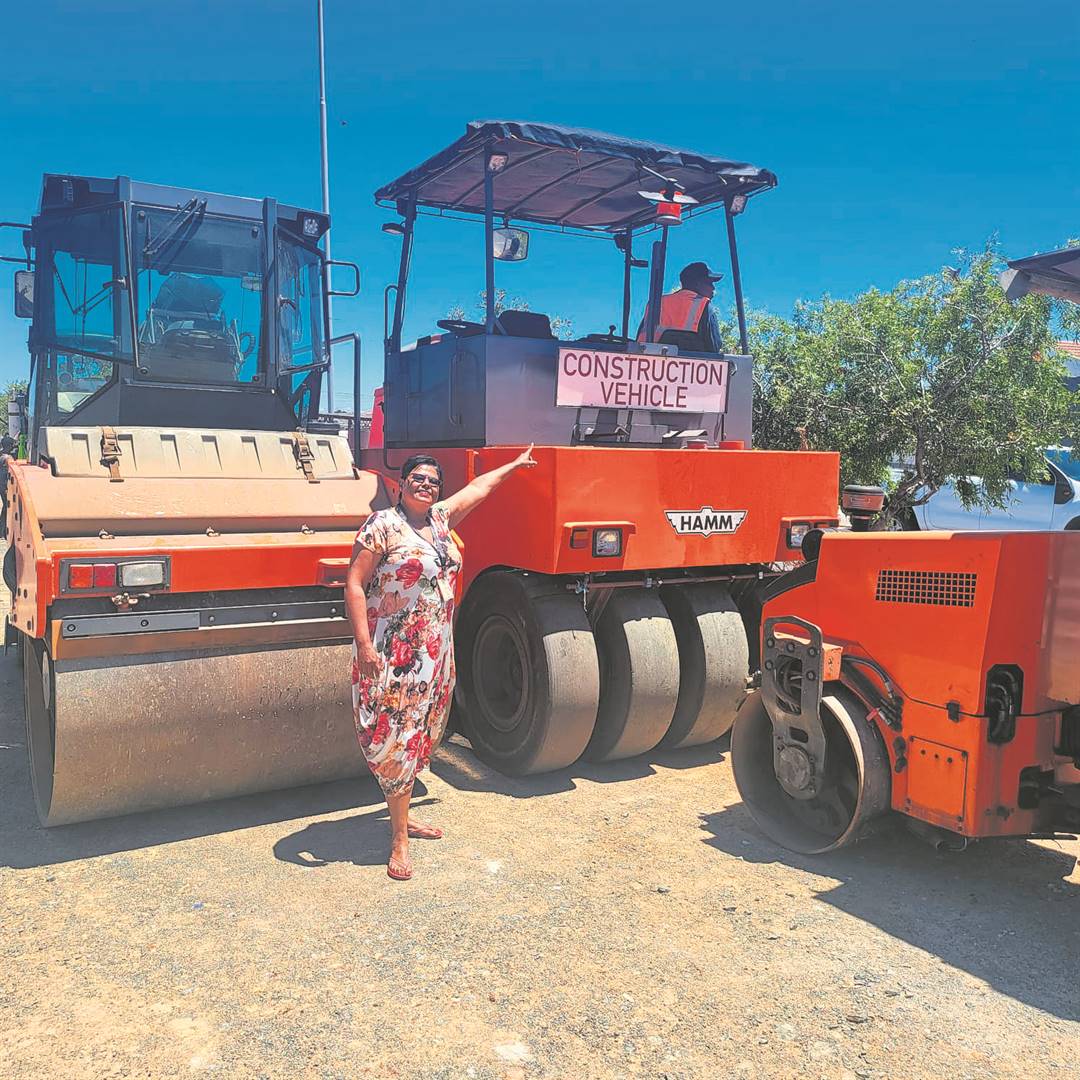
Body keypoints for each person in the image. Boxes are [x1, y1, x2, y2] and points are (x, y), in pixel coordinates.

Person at [345, 445, 537, 881]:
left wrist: (513, 465)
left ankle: (403, 809)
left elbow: (479, 488)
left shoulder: (439, 521)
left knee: (424, 731)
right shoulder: (382, 526)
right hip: (394, 649)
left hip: (435, 648)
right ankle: (399, 838)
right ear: (403, 481)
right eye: (419, 477)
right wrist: (364, 646)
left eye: (433, 480)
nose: (426, 484)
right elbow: (354, 584)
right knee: (397, 734)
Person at [637, 261, 725, 353]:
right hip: (691, 365)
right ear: (698, 284)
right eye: (710, 283)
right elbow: (714, 348)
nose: (713, 288)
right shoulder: (704, 307)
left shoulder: (656, 303)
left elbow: (640, 340)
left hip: (650, 361)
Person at [0, 436, 17, 540]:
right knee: (7, 507)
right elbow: (4, 475)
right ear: (9, 445)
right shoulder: (8, 458)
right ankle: (3, 531)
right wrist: (6, 487)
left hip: (2, 485)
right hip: (4, 486)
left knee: (5, 507)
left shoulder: (1, 455)